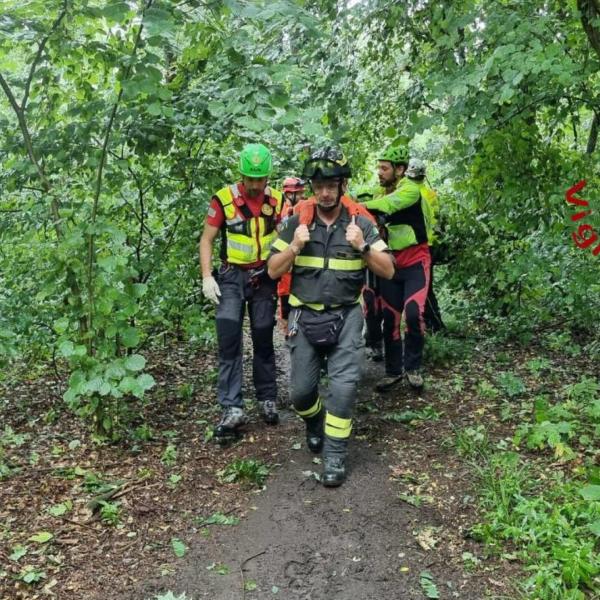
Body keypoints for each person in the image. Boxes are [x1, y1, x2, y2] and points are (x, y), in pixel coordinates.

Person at [267, 145, 394, 487]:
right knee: (301, 394)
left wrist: (363, 247)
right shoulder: (296, 222)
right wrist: (294, 246)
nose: (325, 192)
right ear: (312, 188)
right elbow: (272, 270)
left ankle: (335, 456)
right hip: (304, 318)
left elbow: (389, 270)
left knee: (343, 388)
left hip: (346, 317)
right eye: (319, 186)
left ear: (342, 187)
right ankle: (314, 420)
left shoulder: (360, 224)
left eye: (332, 185)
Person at [199, 143, 283, 442]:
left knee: (263, 333)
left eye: (260, 180)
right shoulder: (223, 199)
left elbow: (287, 237)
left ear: (267, 178)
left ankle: (267, 397)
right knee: (229, 335)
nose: (255, 185)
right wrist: (207, 277)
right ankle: (232, 406)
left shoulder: (278, 200)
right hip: (232, 276)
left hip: (264, 276)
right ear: (241, 175)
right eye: (250, 179)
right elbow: (207, 240)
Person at [361, 146, 433, 391]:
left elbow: (385, 205)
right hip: (391, 264)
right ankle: (393, 372)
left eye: (384, 168)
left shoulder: (411, 190)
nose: (379, 172)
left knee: (413, 313)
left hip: (415, 261)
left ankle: (413, 368)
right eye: (378, 167)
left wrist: (358, 207)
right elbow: (369, 198)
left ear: (400, 170)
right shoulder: (380, 191)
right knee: (390, 318)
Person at [406, 159, 446, 333]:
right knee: (427, 287)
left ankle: (434, 325)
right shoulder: (431, 194)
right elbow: (438, 220)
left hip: (418, 246)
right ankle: (432, 324)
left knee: (424, 288)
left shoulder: (409, 193)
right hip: (431, 245)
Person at [277, 177, 306, 333]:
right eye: (299, 193)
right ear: (289, 194)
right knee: (285, 297)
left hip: (301, 261)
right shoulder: (280, 211)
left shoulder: (303, 208)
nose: (302, 196)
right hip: (286, 262)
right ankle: (288, 330)